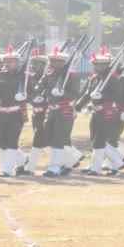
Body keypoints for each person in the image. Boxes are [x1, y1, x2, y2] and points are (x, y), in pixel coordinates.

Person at [0, 47, 26, 177]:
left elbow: (36, 92)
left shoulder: (25, 76)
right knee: (1, 142)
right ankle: (23, 160)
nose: (8, 64)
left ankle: (7, 169)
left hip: (16, 113)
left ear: (17, 62)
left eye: (11, 61)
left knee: (12, 141)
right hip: (2, 112)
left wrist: (25, 96)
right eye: (6, 61)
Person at [39, 46, 79, 177]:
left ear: (64, 62)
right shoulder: (49, 75)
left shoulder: (71, 76)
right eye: (53, 61)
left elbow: (75, 94)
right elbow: (41, 87)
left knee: (58, 139)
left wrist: (63, 93)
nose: (55, 63)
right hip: (51, 111)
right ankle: (70, 161)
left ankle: (55, 167)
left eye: (58, 61)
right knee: (49, 137)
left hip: (64, 110)